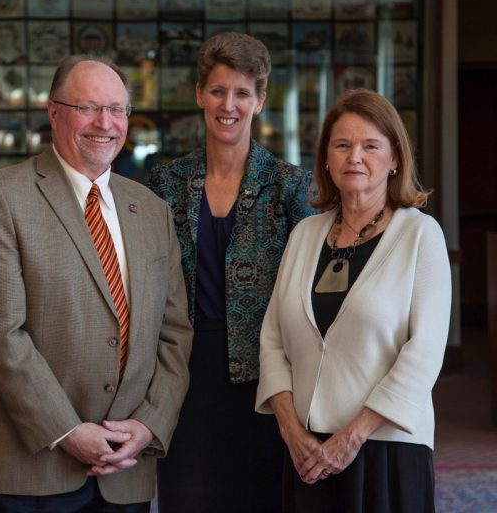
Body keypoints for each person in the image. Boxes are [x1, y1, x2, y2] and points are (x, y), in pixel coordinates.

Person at [0, 55, 193, 513]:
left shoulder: (151, 210)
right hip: (31, 467)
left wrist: (148, 426)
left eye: (117, 110)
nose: (104, 123)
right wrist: (67, 430)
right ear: (53, 111)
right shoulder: (2, 195)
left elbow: (175, 333)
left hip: (125, 468)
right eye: (87, 107)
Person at [255, 89, 451, 512]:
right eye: (342, 145)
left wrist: (352, 437)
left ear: (395, 158)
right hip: (307, 451)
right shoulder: (304, 235)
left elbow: (425, 352)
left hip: (386, 446)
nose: (354, 157)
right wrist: (292, 431)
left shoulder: (421, 235)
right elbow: (271, 341)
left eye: (370, 146)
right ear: (326, 157)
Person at [149, 32, 317, 512]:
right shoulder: (166, 182)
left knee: (259, 497)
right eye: (219, 91)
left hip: (266, 377)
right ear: (200, 94)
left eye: (243, 93)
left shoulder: (290, 186)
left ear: (260, 101)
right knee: (188, 497)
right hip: (184, 371)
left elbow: (306, 290)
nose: (229, 105)